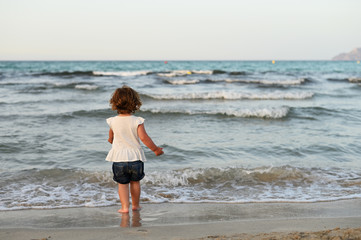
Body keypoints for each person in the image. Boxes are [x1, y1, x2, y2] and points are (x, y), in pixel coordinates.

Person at [106, 86, 164, 213]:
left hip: (119, 159)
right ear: (135, 103)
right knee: (135, 182)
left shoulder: (112, 121)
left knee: (122, 184)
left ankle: (125, 207)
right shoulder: (137, 121)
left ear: (115, 103)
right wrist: (155, 150)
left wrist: (112, 140)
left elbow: (111, 137)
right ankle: (135, 205)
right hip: (135, 158)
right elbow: (144, 138)